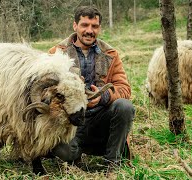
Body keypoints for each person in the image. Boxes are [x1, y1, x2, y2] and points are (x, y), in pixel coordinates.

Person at [48, 6, 135, 169]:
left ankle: (113, 162)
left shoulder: (110, 54)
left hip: (99, 118)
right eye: (85, 25)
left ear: (99, 28)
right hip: (69, 122)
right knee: (65, 153)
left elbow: (124, 89)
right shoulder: (57, 53)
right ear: (75, 26)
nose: (89, 31)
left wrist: (103, 97)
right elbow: (46, 91)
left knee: (125, 106)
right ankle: (72, 156)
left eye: (94, 26)